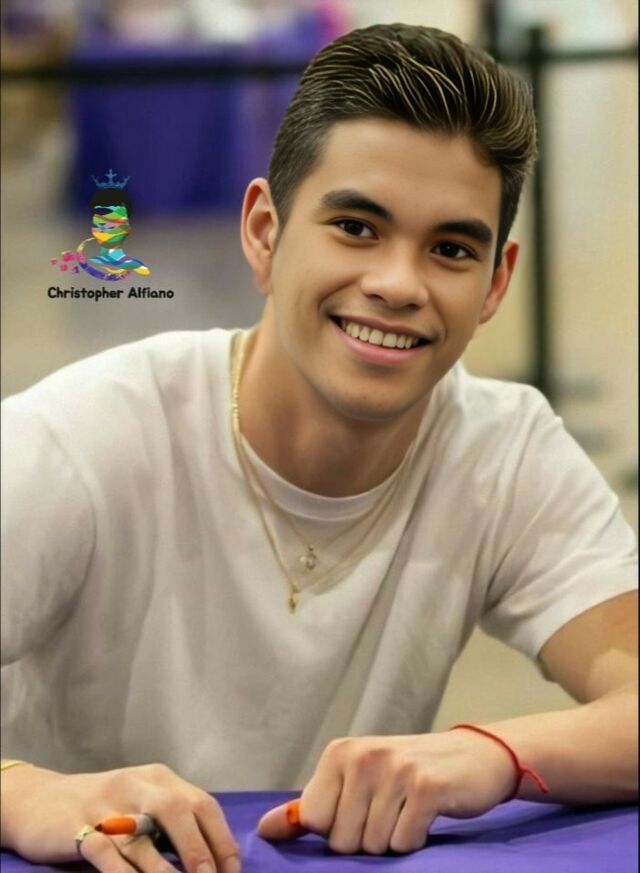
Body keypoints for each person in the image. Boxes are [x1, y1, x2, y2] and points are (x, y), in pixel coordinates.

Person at [1, 21, 637, 873]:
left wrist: (495, 752)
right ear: (265, 232)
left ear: (495, 284)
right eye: (356, 228)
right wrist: (20, 792)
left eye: (451, 249)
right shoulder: (84, 435)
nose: (398, 284)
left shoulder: (505, 450)